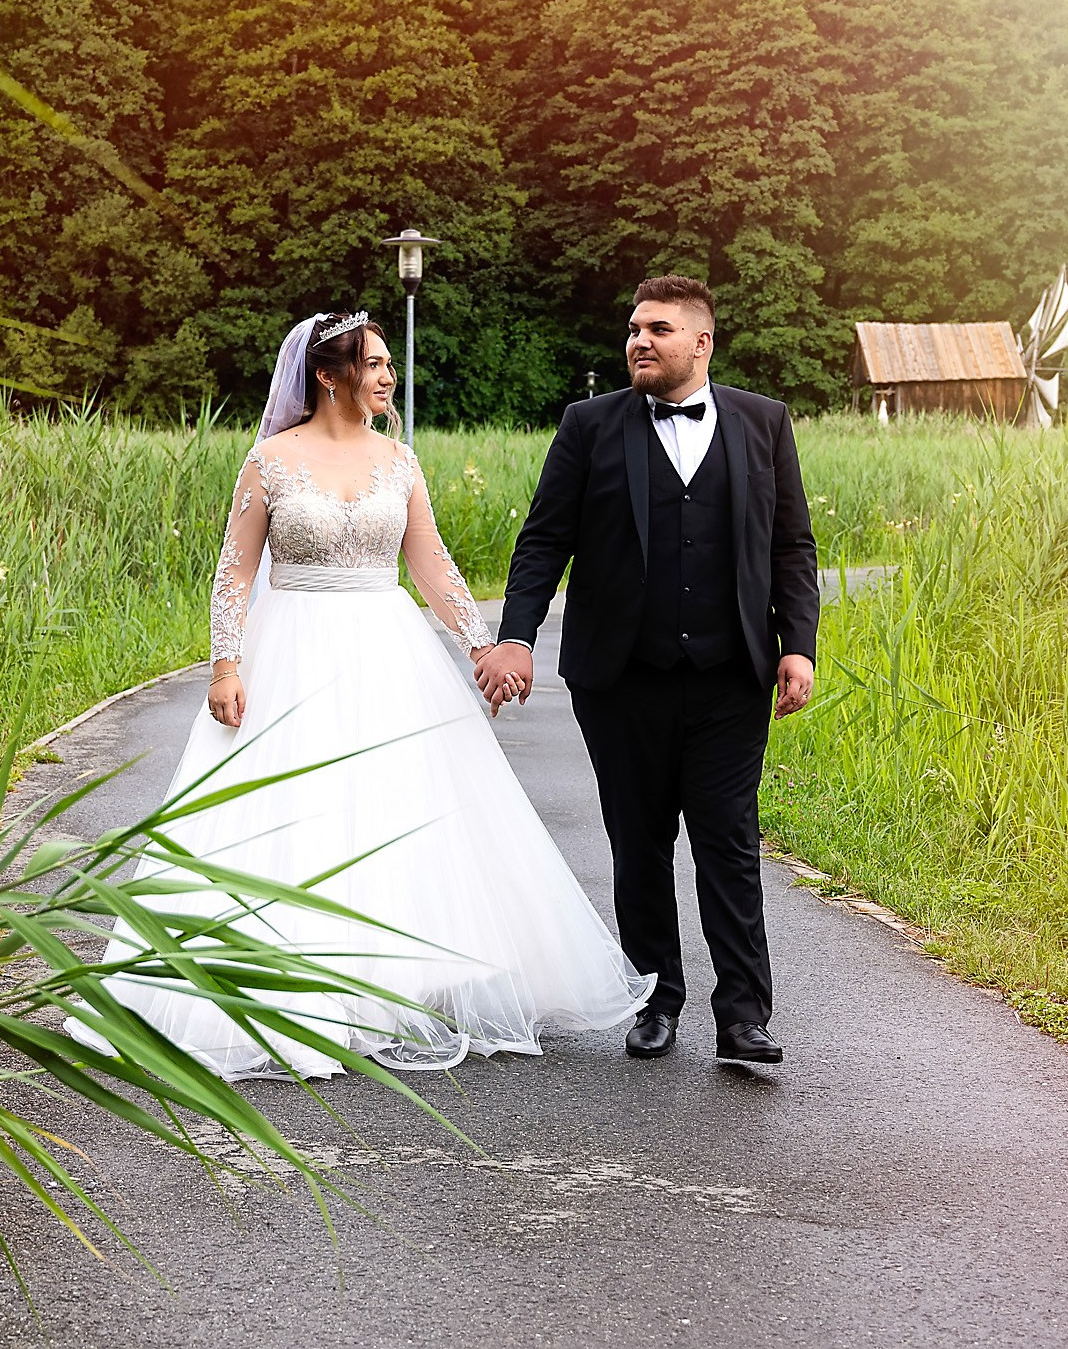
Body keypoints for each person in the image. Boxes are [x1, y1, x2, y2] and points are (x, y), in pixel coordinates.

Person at [77, 311, 651, 1081]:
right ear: (327, 375)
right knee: (294, 810)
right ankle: (286, 985)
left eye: (387, 363)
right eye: (373, 364)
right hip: (292, 647)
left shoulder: (399, 461)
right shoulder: (270, 460)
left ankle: (388, 983)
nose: (387, 376)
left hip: (387, 647)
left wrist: (482, 646)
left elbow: (430, 562)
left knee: (393, 806)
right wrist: (225, 666)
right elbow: (234, 572)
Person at [474, 276, 819, 1066]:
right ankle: (656, 999)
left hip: (732, 672)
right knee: (639, 841)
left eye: (658, 329)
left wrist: (796, 644)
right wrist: (516, 636)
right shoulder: (589, 424)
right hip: (620, 676)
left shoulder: (764, 422)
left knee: (728, 839)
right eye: (634, 328)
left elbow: (791, 545)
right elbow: (544, 540)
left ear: (701, 342)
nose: (639, 340)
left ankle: (743, 1016)